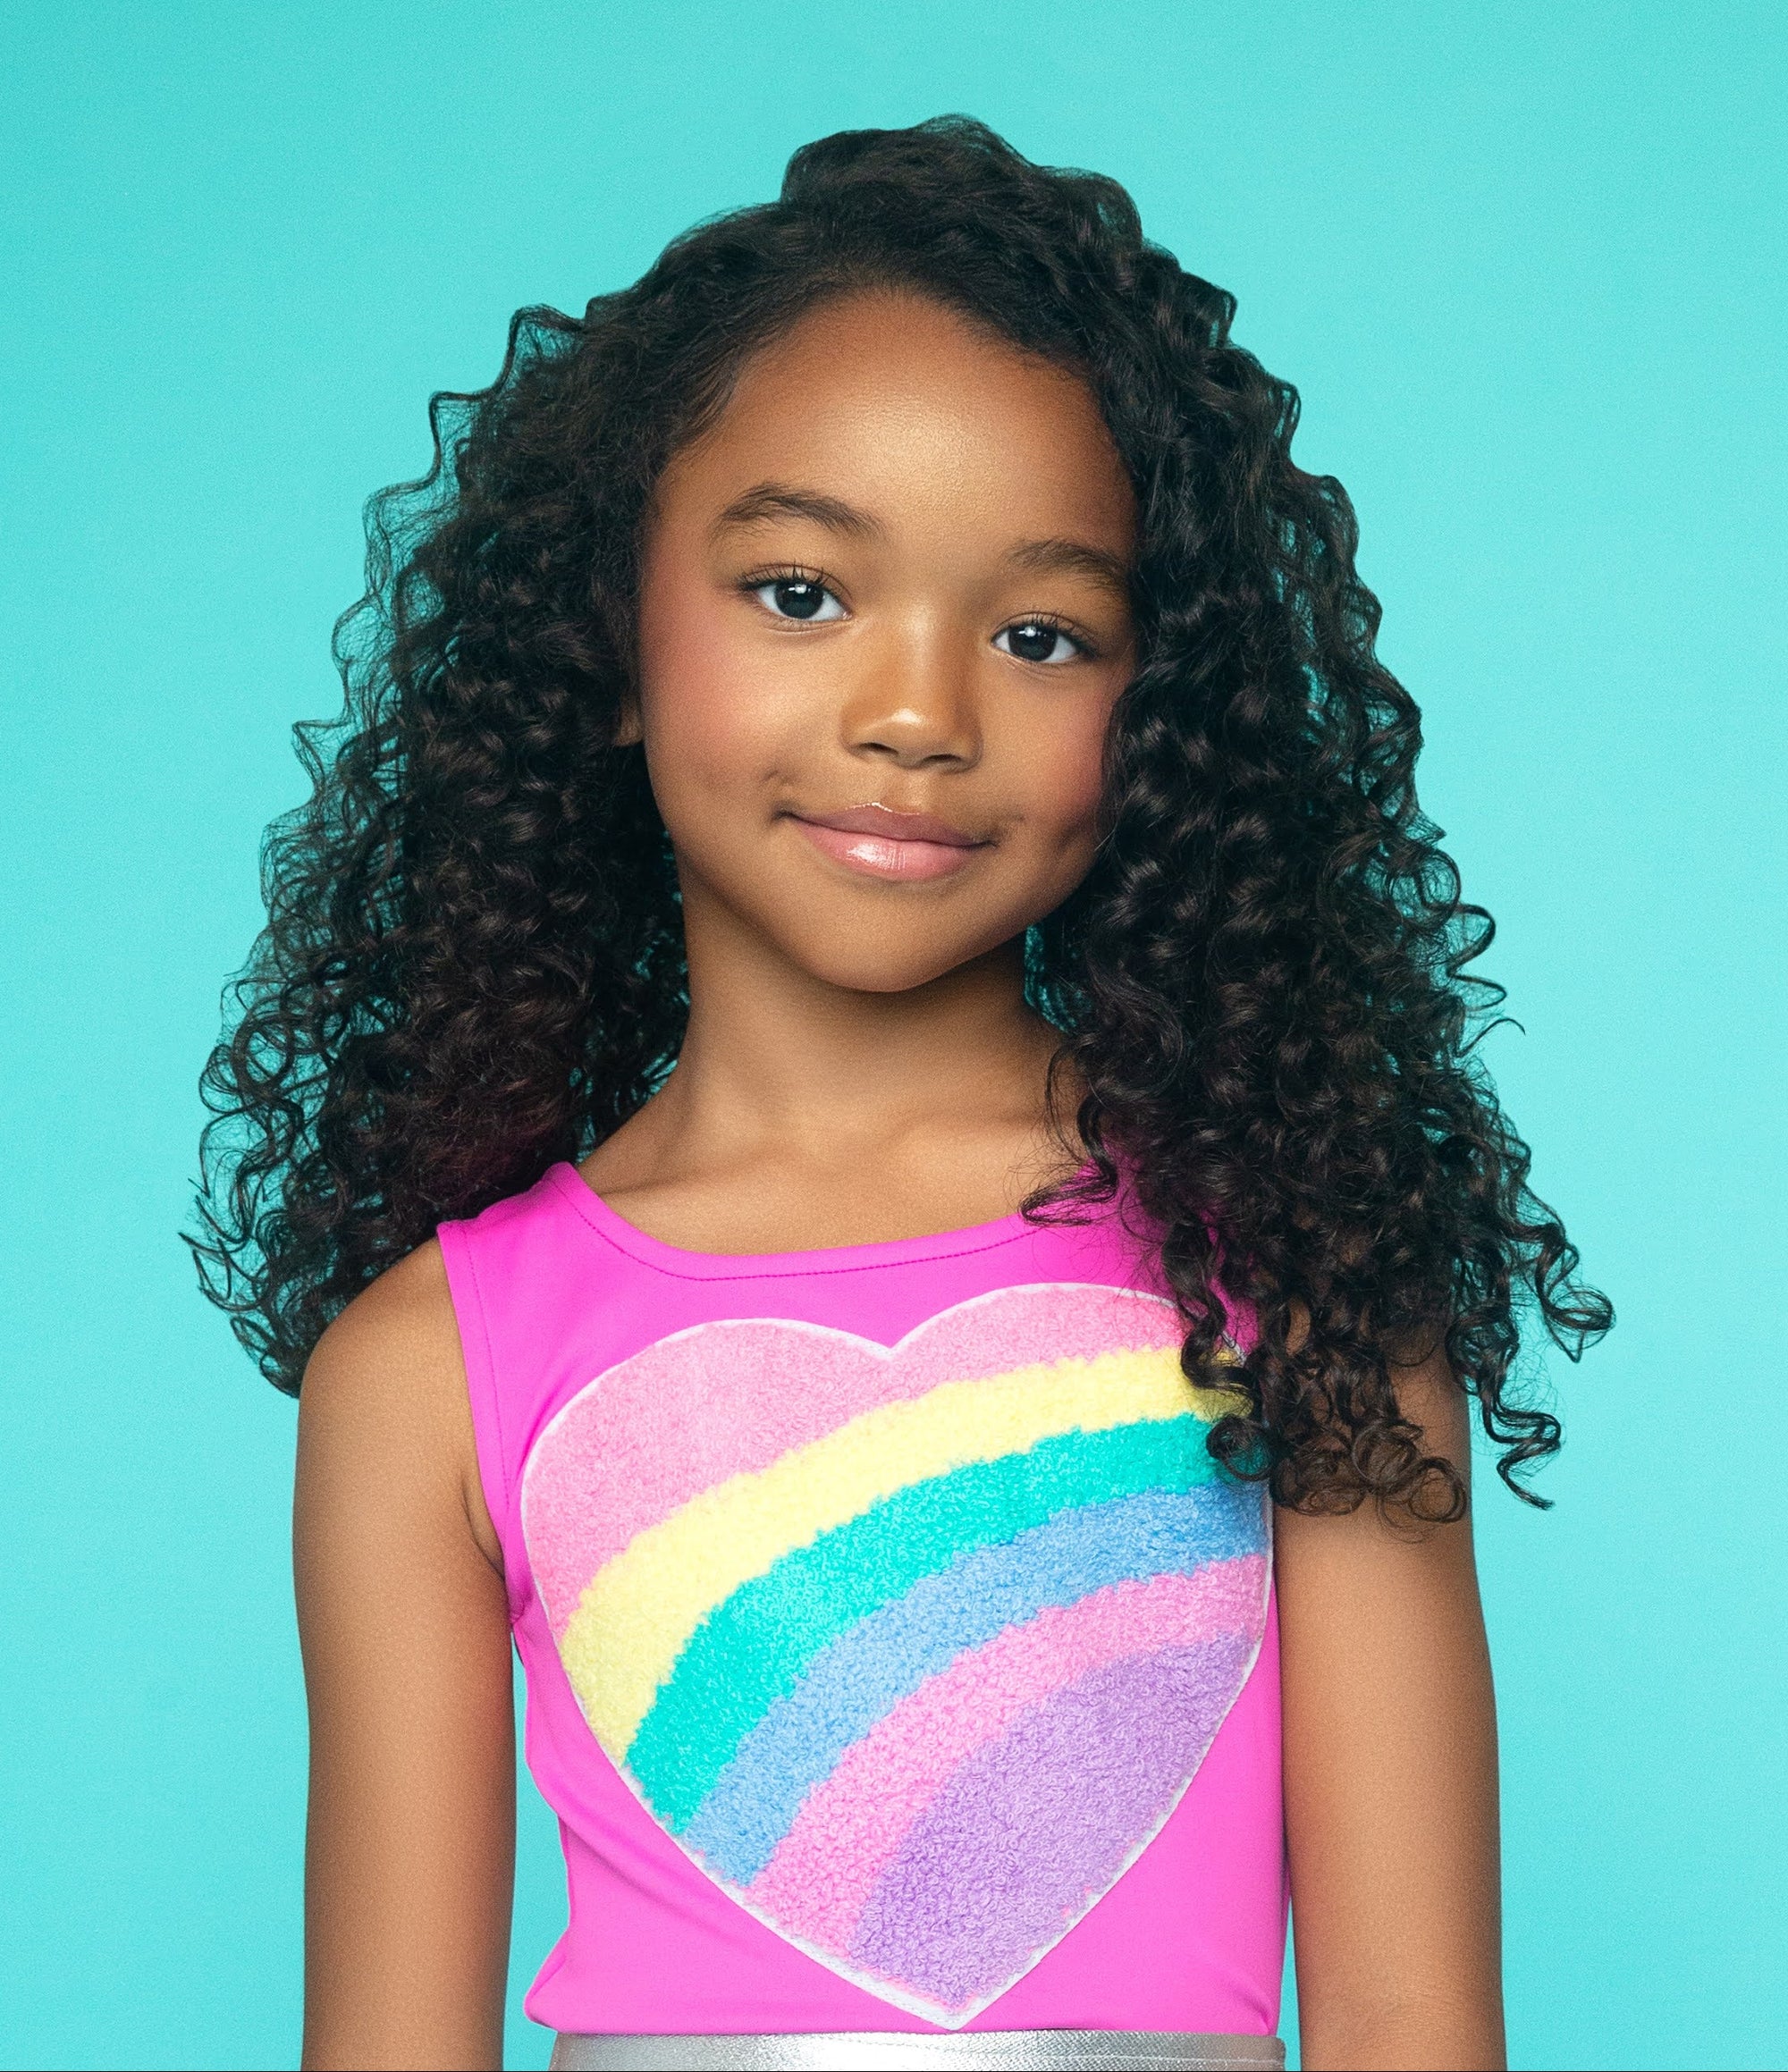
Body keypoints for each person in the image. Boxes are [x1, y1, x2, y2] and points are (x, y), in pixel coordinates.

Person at [193, 117, 1609, 2072]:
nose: (918, 713)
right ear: (607, 639)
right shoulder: (429, 1366)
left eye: (1039, 634)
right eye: (799, 592)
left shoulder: (1294, 1273)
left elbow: (1407, 2020)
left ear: (1158, 719)